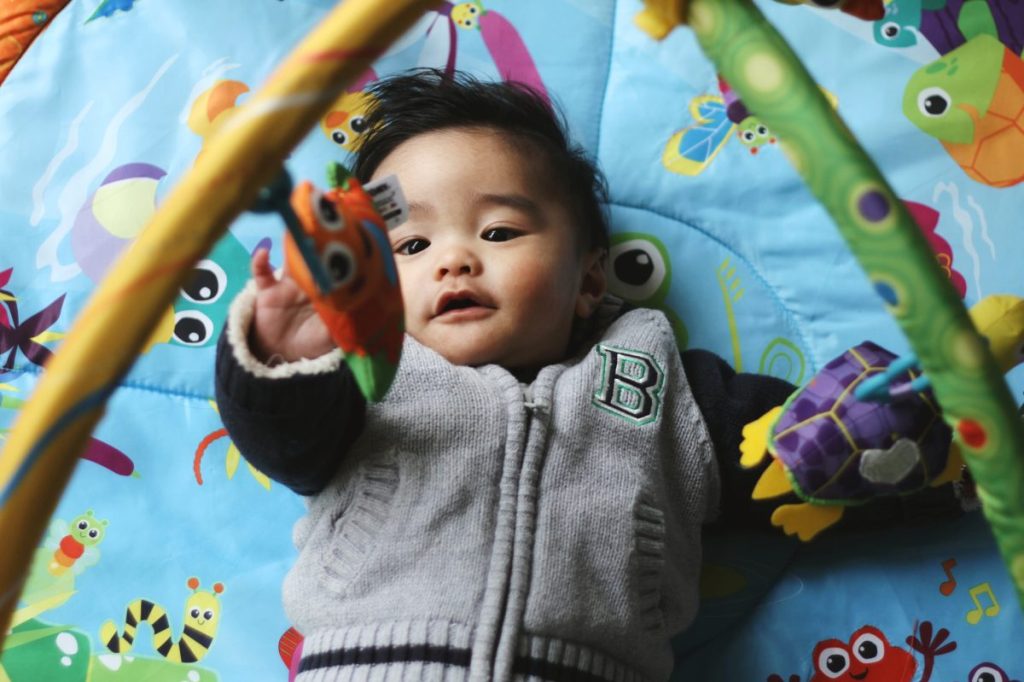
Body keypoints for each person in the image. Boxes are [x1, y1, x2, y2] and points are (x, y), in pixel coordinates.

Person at [214, 69, 808, 681]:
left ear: (590, 282)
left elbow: (819, 445)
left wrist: (885, 433)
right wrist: (285, 355)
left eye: (498, 231)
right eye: (411, 246)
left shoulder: (664, 386)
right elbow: (283, 439)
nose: (453, 260)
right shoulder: (362, 380)